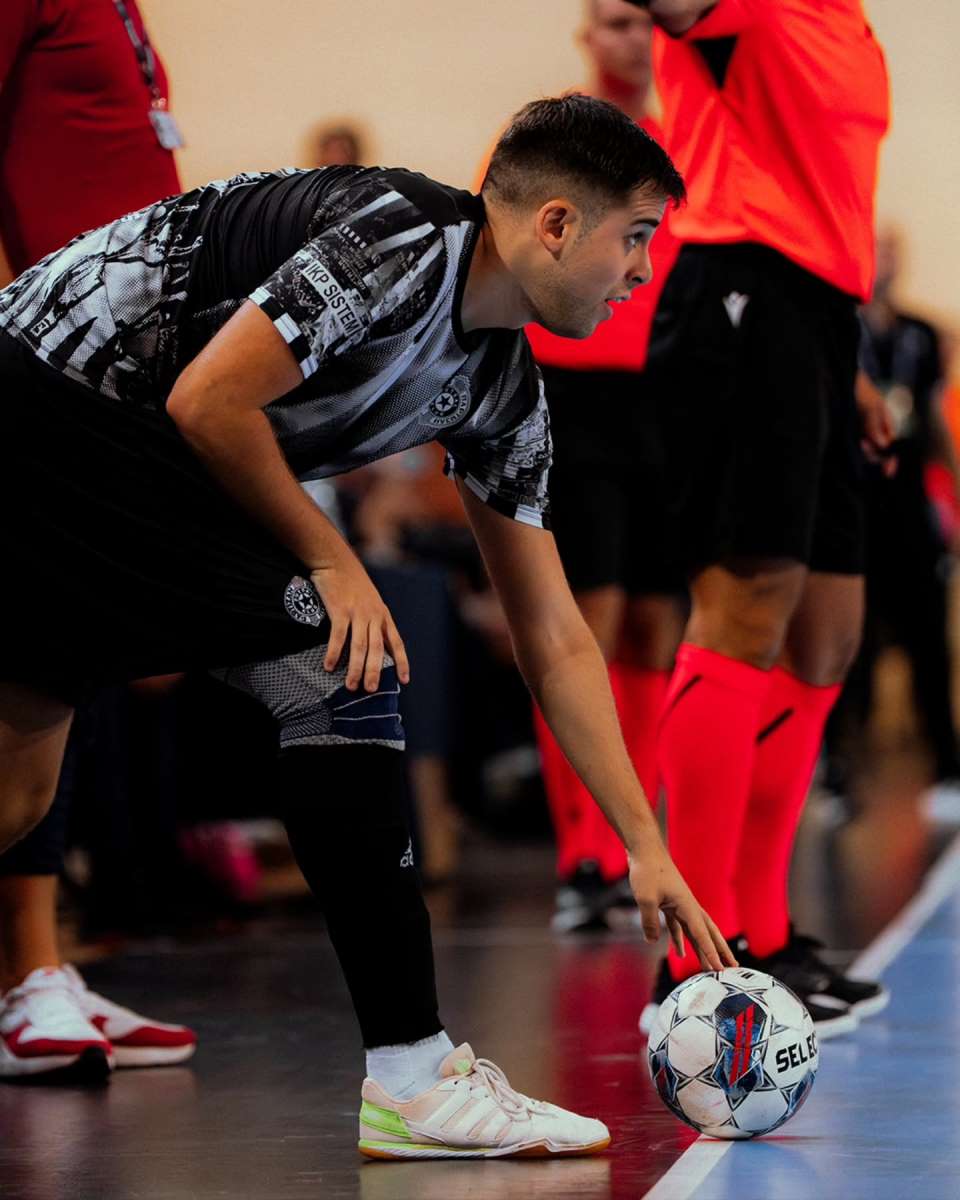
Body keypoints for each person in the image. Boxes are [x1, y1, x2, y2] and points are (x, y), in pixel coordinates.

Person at [0, 95, 734, 1157]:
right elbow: (211, 402)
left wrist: (644, 843)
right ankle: (410, 1074)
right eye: (636, 239)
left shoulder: (504, 390)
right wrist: (332, 561)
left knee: (18, 787)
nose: (640, 274)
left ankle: (410, 1075)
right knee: (337, 660)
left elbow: (554, 633)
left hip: (110, 451)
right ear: (557, 225)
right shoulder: (399, 241)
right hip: (51, 399)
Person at [626, 0, 892, 1035]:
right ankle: (696, 956)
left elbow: (828, 192)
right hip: (739, 292)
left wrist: (848, 364)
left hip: (821, 317)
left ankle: (764, 937)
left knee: (827, 635)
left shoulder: (846, 22)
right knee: (745, 606)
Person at [0, 0, 195, 1080]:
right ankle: (27, 977)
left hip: (111, 373)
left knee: (59, 680)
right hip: (44, 361)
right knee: (27, 678)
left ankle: (38, 965)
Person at [517, 0, 686, 933]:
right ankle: (583, 852)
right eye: (614, 21)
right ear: (589, 33)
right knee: (592, 616)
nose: (632, 38)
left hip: (661, 402)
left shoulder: (679, 143)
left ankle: (638, 838)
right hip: (572, 398)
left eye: (643, 22)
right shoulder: (560, 140)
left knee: (655, 624)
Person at [828, 228, 960, 787]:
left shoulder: (922, 335)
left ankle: (947, 766)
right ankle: (839, 766)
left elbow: (932, 419)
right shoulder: (833, 326)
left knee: (928, 634)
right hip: (851, 501)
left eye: (894, 251)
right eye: (876, 248)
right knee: (846, 641)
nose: (886, 261)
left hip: (907, 504)